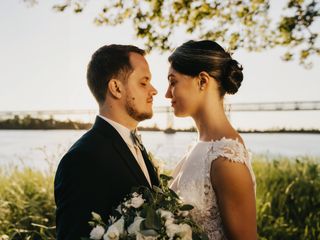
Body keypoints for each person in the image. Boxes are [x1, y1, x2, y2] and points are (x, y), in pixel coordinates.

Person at [54, 44, 159, 240]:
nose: (154, 90)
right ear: (116, 88)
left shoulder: (136, 144)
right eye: (144, 83)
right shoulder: (82, 159)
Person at [167, 40, 257, 240]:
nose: (167, 94)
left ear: (202, 81)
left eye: (173, 82)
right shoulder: (199, 146)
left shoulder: (226, 160)